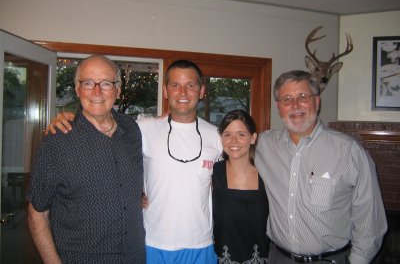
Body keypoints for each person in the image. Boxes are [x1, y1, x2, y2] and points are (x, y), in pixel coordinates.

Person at [46, 59, 222, 263]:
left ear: (201, 91)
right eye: (175, 85)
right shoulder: (141, 129)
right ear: (165, 91)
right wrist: (68, 118)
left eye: (190, 85)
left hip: (201, 244)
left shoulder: (218, 137)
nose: (182, 93)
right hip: (152, 244)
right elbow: (103, 128)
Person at [255, 70, 388, 264]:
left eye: (303, 97)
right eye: (287, 99)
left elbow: (370, 219)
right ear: (279, 107)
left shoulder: (348, 150)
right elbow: (228, 142)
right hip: (278, 258)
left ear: (317, 102)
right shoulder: (263, 144)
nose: (295, 105)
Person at [27, 55, 146, 263]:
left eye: (106, 83)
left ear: (118, 90)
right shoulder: (57, 141)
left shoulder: (132, 129)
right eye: (88, 83)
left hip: (134, 257)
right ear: (77, 88)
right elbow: (38, 213)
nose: (97, 92)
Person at [213, 109, 269, 263]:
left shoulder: (268, 175)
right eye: (227, 135)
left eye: (241, 134)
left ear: (253, 138)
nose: (233, 141)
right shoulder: (212, 173)